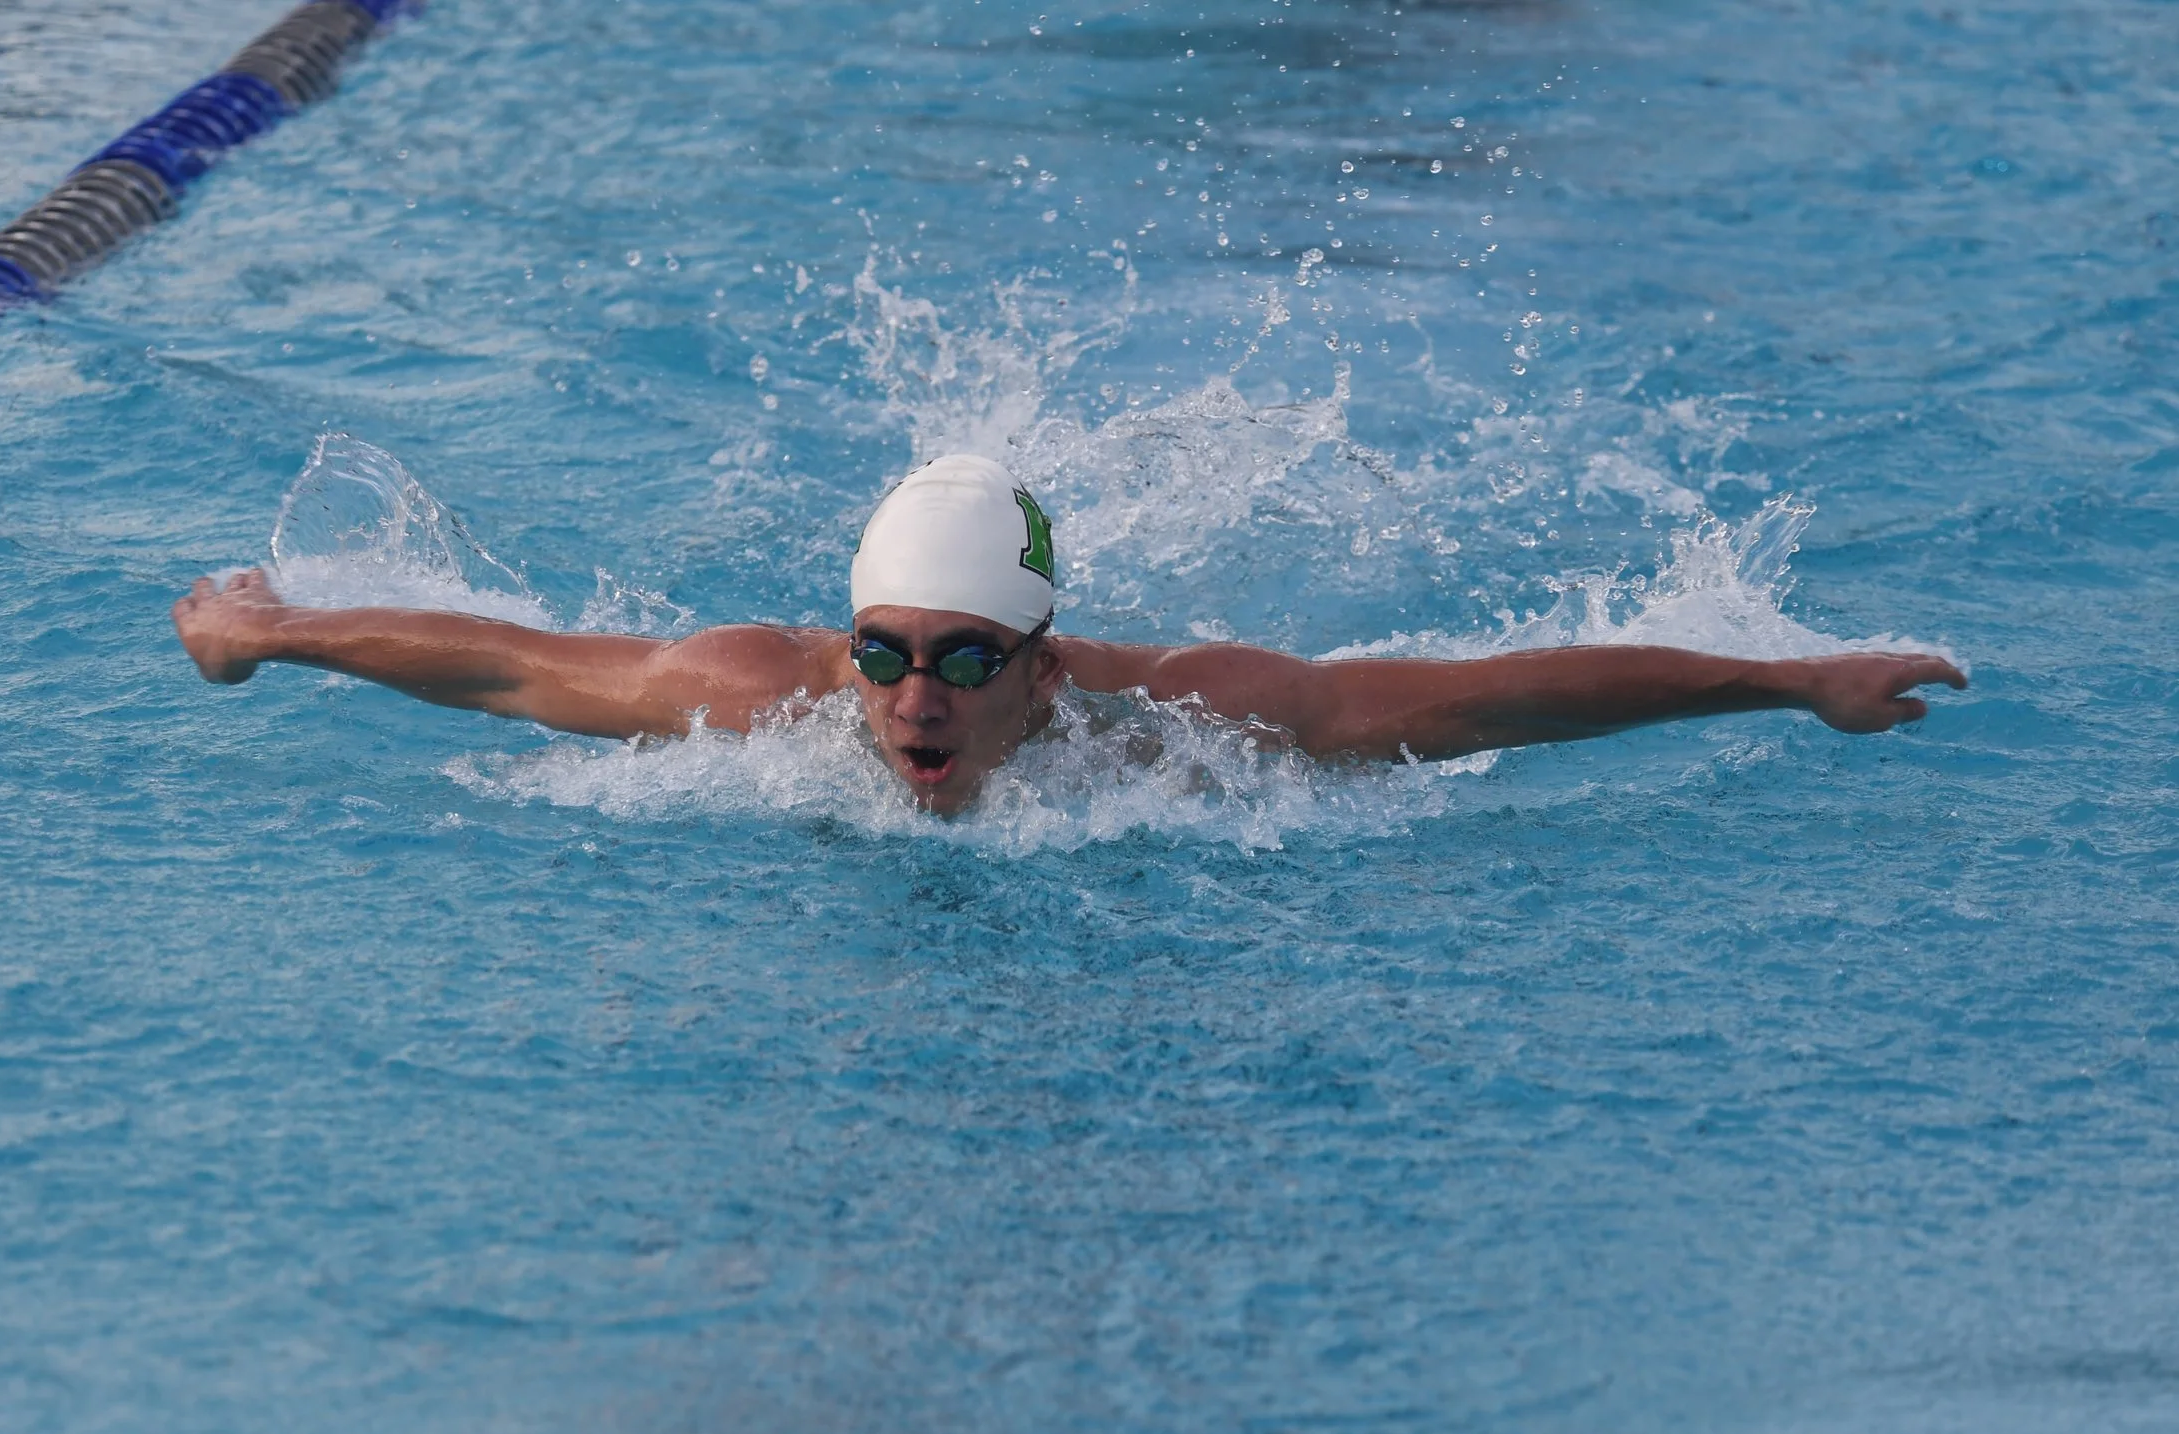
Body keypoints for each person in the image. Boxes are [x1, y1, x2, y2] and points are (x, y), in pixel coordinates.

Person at [173, 453, 1965, 814]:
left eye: (962, 658)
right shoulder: (772, 696)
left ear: (1045, 660)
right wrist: (280, 629)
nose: (910, 700)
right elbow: (510, 661)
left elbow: (1472, 696)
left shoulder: (1189, 721)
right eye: (885, 653)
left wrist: (1787, 683)